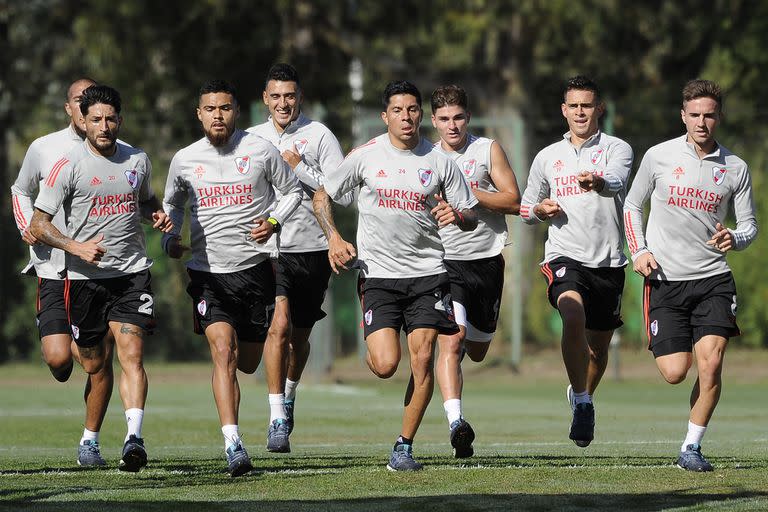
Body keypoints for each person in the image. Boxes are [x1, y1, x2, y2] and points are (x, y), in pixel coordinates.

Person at [324, 80, 478, 471]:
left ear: (420, 115)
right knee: (386, 364)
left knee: (423, 358)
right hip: (378, 277)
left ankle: (403, 447)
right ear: (385, 116)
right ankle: (376, 343)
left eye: (412, 110)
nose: (406, 117)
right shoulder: (365, 156)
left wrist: (457, 216)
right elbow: (323, 195)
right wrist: (334, 237)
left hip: (429, 275)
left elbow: (471, 214)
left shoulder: (439, 161)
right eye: (398, 110)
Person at [163, 80, 302, 476]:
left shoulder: (260, 150)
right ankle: (233, 444)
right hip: (208, 274)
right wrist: (171, 239)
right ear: (199, 113)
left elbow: (292, 193)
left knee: (249, 361)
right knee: (224, 352)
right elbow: (171, 207)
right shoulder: (185, 159)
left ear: (236, 111)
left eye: (224, 108)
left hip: (256, 270)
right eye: (210, 109)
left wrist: (273, 221)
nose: (217, 115)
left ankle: (270, 409)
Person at [30, 84, 173, 472]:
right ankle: (90, 440)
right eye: (96, 119)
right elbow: (39, 224)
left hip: (130, 274)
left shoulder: (137, 160)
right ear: (84, 121)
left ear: (120, 120)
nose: (104, 126)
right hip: (82, 279)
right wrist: (76, 248)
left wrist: (156, 215)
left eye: (111, 119)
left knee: (132, 355)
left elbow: (144, 201)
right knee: (94, 364)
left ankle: (134, 439)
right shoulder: (67, 165)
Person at [624, 79, 757, 472]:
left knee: (712, 364)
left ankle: (691, 448)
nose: (702, 122)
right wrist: (639, 250)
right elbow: (632, 205)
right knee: (674, 373)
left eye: (709, 115)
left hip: (714, 279)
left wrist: (735, 235)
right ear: (683, 116)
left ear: (719, 118)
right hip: (665, 280)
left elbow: (750, 226)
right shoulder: (659, 156)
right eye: (695, 114)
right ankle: (689, 438)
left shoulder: (735, 168)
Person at [520, 76, 633, 447]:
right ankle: (584, 403)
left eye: (588, 105)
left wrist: (598, 181)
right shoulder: (547, 156)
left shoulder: (619, 148)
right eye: (574, 106)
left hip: (609, 261)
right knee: (572, 314)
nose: (581, 112)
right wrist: (539, 208)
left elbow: (616, 180)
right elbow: (525, 207)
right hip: (565, 256)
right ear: (564, 110)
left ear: (599, 108)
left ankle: (579, 392)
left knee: (598, 349)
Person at [248, 63, 355, 452]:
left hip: (311, 249)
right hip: (269, 250)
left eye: (289, 96)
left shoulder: (319, 135)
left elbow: (342, 193)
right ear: (265, 99)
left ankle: (289, 395)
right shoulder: (251, 138)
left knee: (298, 337)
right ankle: (277, 417)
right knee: (277, 327)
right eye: (275, 96)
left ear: (299, 98)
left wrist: (301, 168)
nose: (283, 103)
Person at [10, 78, 117, 467]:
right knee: (58, 361)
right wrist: (27, 225)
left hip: (99, 275)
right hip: (54, 270)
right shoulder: (44, 148)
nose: (91, 112)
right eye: (79, 101)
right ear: (70, 108)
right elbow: (20, 189)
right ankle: (77, 345)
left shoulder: (116, 150)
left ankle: (90, 442)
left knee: (100, 360)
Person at [429, 84, 521, 458]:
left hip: (486, 261)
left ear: (468, 117)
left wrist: (466, 192)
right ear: (433, 121)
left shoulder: (487, 150)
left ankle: (450, 363)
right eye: (444, 119)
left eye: (459, 117)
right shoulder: (425, 158)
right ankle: (457, 425)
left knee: (478, 350)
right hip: (443, 263)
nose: (452, 126)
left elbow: (513, 200)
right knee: (452, 339)